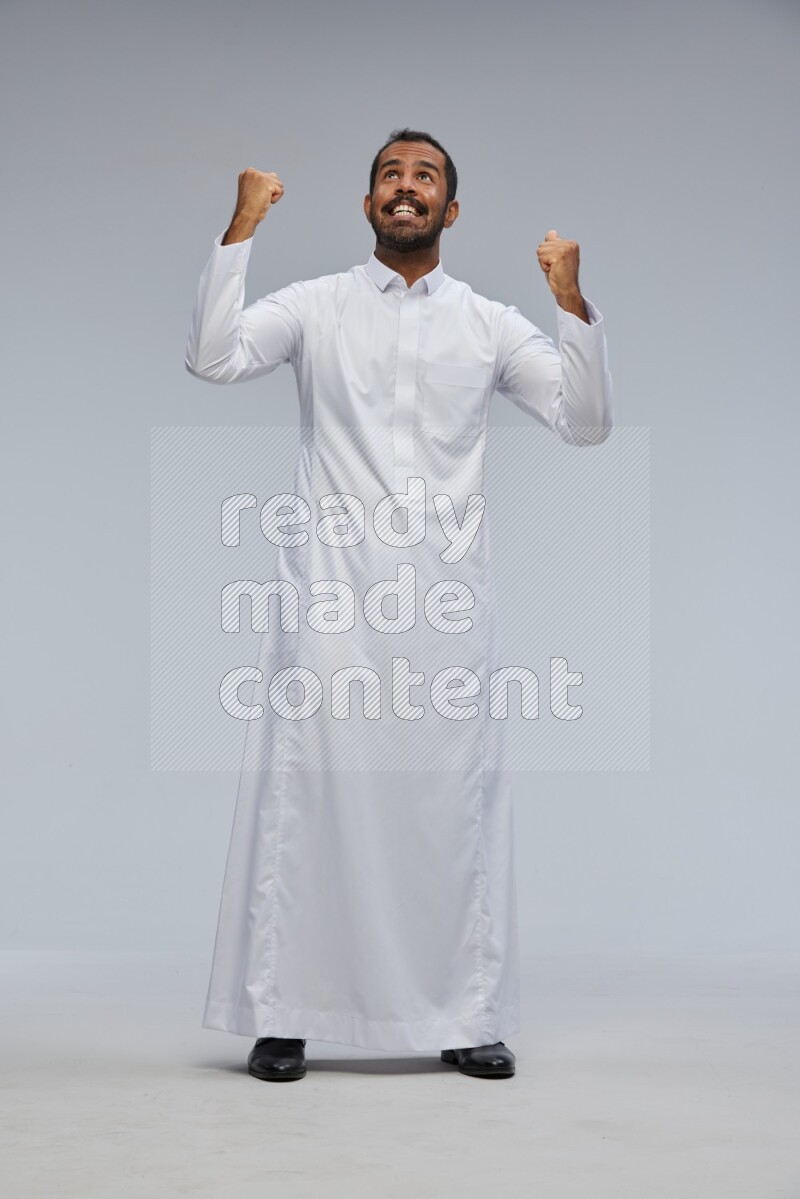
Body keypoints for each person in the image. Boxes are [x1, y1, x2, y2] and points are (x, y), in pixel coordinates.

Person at [185, 127, 613, 1082]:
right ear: (370, 204)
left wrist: (571, 303)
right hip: (331, 602)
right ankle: (285, 1010)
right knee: (309, 799)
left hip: (447, 611)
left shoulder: (489, 322)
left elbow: (584, 424)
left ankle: (465, 1014)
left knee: (450, 812)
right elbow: (213, 357)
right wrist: (241, 228)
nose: (405, 188)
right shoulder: (318, 307)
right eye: (390, 175)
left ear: (450, 211)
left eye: (424, 177)